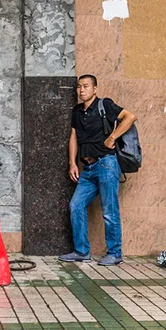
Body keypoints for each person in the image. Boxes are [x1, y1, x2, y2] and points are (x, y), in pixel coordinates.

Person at [59, 75, 137, 266]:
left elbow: (130, 117)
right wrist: (73, 163)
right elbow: (73, 137)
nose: (81, 90)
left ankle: (115, 253)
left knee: (109, 211)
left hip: (106, 164)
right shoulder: (77, 111)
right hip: (88, 169)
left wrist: (112, 138)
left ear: (95, 89)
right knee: (76, 205)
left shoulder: (105, 105)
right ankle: (81, 251)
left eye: (86, 86)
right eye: (79, 87)